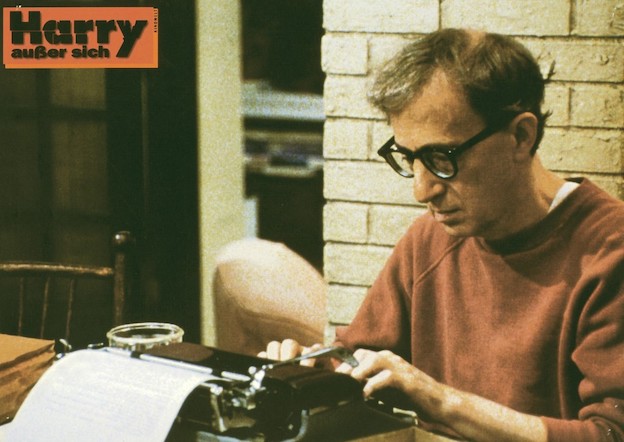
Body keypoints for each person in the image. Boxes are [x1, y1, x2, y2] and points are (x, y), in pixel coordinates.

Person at [261, 28, 624, 441]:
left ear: (521, 136)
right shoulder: (430, 239)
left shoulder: (610, 251)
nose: (422, 190)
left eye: (441, 157)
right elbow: (357, 363)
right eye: (409, 158)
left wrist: (440, 401)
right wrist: (313, 373)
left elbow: (610, 434)